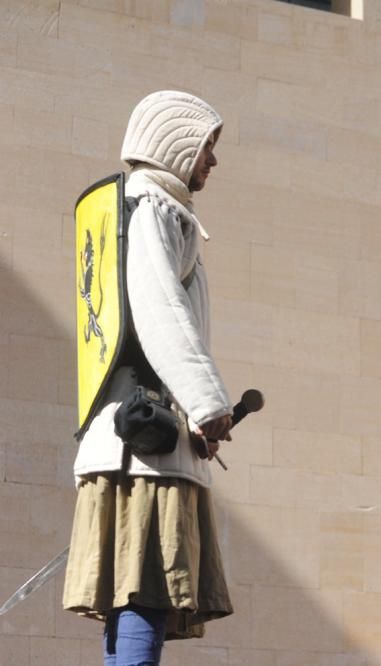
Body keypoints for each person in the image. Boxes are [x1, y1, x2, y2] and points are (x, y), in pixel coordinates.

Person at [63, 90, 234, 665]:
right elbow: (161, 308)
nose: (213, 160)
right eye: (208, 146)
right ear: (177, 142)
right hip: (145, 444)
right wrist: (208, 404)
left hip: (128, 437)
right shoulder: (153, 207)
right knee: (148, 587)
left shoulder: (134, 207)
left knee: (135, 593)